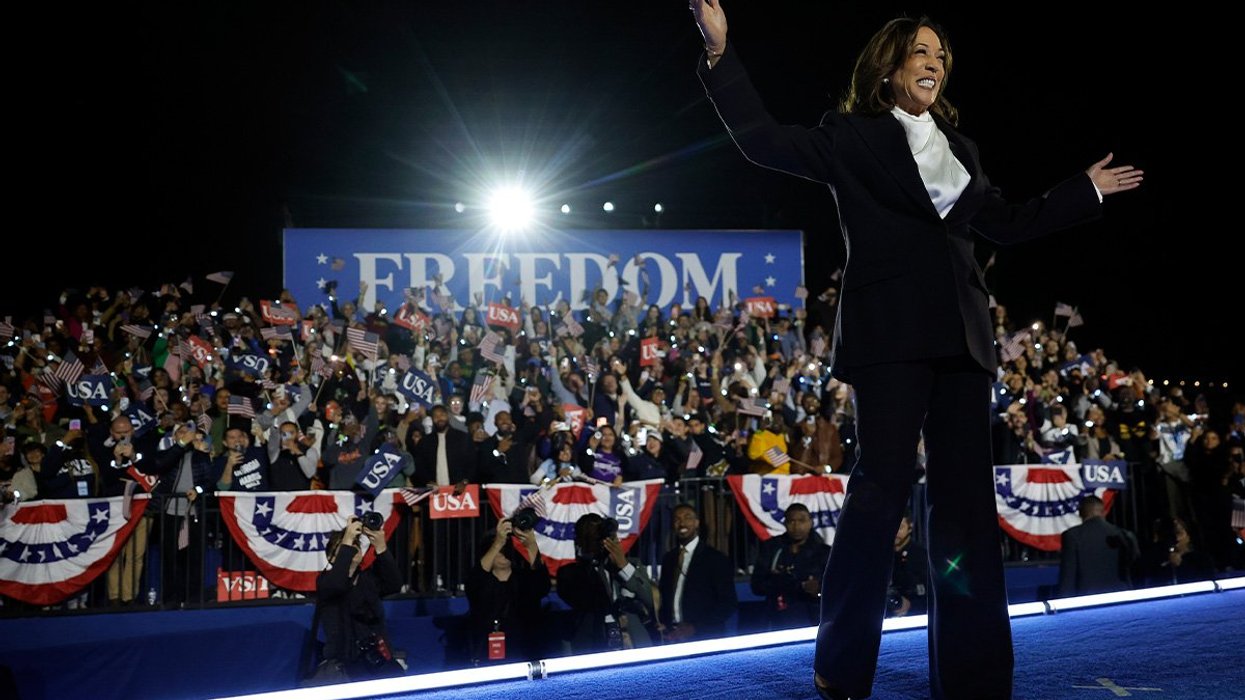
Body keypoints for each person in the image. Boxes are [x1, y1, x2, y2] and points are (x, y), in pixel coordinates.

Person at [688, 5, 1142, 698]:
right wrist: (721, 55)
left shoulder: (960, 151)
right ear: (890, 64)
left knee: (962, 509)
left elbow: (1009, 223)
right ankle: (841, 666)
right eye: (921, 52)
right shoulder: (851, 136)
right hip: (889, 337)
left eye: (941, 56)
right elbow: (762, 141)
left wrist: (1081, 192)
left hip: (962, 343)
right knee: (879, 494)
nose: (934, 63)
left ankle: (972, 673)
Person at [308, 517, 404, 684]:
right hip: (345, 665)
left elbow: (394, 584)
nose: (353, 548)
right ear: (332, 558)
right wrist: (347, 539)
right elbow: (338, 584)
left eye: (357, 545)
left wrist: (381, 547)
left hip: (377, 659)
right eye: (347, 547)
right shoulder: (325, 582)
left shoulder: (368, 579)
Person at [557, 513, 659, 653]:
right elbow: (583, 600)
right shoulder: (569, 573)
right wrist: (591, 560)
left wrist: (623, 566)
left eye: (599, 533)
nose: (597, 539)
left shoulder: (632, 566)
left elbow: (651, 600)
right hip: (593, 645)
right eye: (590, 535)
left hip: (634, 645)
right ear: (579, 540)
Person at [465, 519, 551, 663]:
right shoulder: (481, 582)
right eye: (499, 551)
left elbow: (542, 584)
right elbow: (474, 583)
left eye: (506, 550)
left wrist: (531, 546)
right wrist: (498, 542)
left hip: (523, 653)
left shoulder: (523, 579)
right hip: (486, 655)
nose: (503, 554)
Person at [657, 503, 737, 642]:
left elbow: (728, 603)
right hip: (673, 637)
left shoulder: (715, 558)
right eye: (677, 519)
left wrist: (695, 627)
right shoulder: (669, 559)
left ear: (696, 523)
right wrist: (665, 623)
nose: (682, 523)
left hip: (705, 637)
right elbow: (664, 595)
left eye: (687, 517)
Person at [750, 503, 830, 629]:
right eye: (791, 521)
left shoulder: (824, 552)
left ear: (810, 522)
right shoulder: (772, 548)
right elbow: (757, 586)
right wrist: (788, 583)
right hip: (778, 619)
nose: (796, 526)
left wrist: (818, 590)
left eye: (802, 521)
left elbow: (836, 587)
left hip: (814, 619)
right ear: (785, 523)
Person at [1057, 495, 1138, 596]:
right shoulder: (1122, 534)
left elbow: (1068, 577)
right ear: (1103, 512)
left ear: (1081, 513)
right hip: (1121, 597)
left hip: (1088, 601)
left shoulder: (1072, 536)